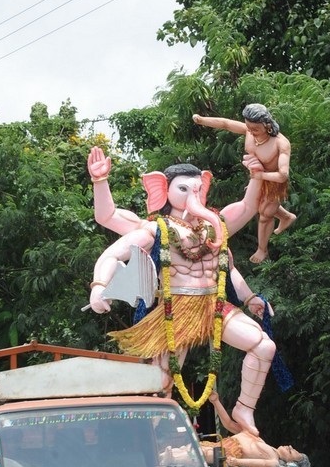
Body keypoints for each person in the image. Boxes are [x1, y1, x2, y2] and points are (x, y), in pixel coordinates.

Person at [88, 158, 275, 437]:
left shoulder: (215, 228)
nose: (192, 196)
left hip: (214, 304)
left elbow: (234, 253)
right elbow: (113, 250)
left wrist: (249, 299)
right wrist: (99, 285)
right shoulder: (156, 229)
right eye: (184, 189)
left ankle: (244, 409)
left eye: (198, 189)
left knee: (263, 346)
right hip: (175, 310)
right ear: (164, 191)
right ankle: (151, 439)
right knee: (159, 382)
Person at [193, 104, 297, 263]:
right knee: (259, 203)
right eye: (248, 127)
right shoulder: (250, 130)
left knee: (265, 213)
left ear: (267, 125)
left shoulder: (281, 143)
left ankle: (262, 250)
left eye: (255, 129)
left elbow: (283, 175)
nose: (251, 131)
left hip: (273, 180)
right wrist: (202, 120)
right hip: (257, 178)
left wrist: (261, 175)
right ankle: (287, 216)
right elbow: (225, 124)